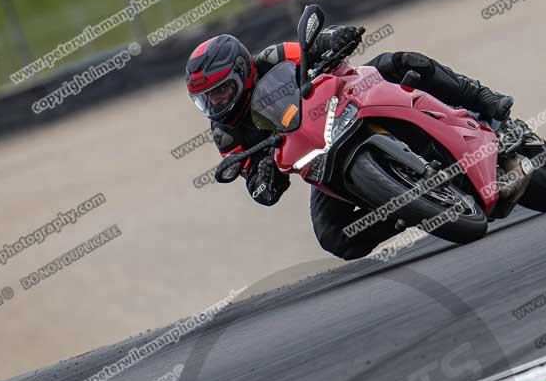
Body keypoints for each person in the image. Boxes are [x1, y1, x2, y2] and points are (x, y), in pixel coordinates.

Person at [185, 25, 514, 259]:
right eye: (206, 99)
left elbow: (315, 44)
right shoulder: (225, 133)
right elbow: (257, 185)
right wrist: (265, 176)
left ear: (242, 71)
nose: (216, 102)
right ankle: (403, 208)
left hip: (347, 100)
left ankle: (483, 98)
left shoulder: (273, 57)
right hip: (317, 153)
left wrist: (335, 38)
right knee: (333, 237)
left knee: (402, 63)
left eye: (221, 90)